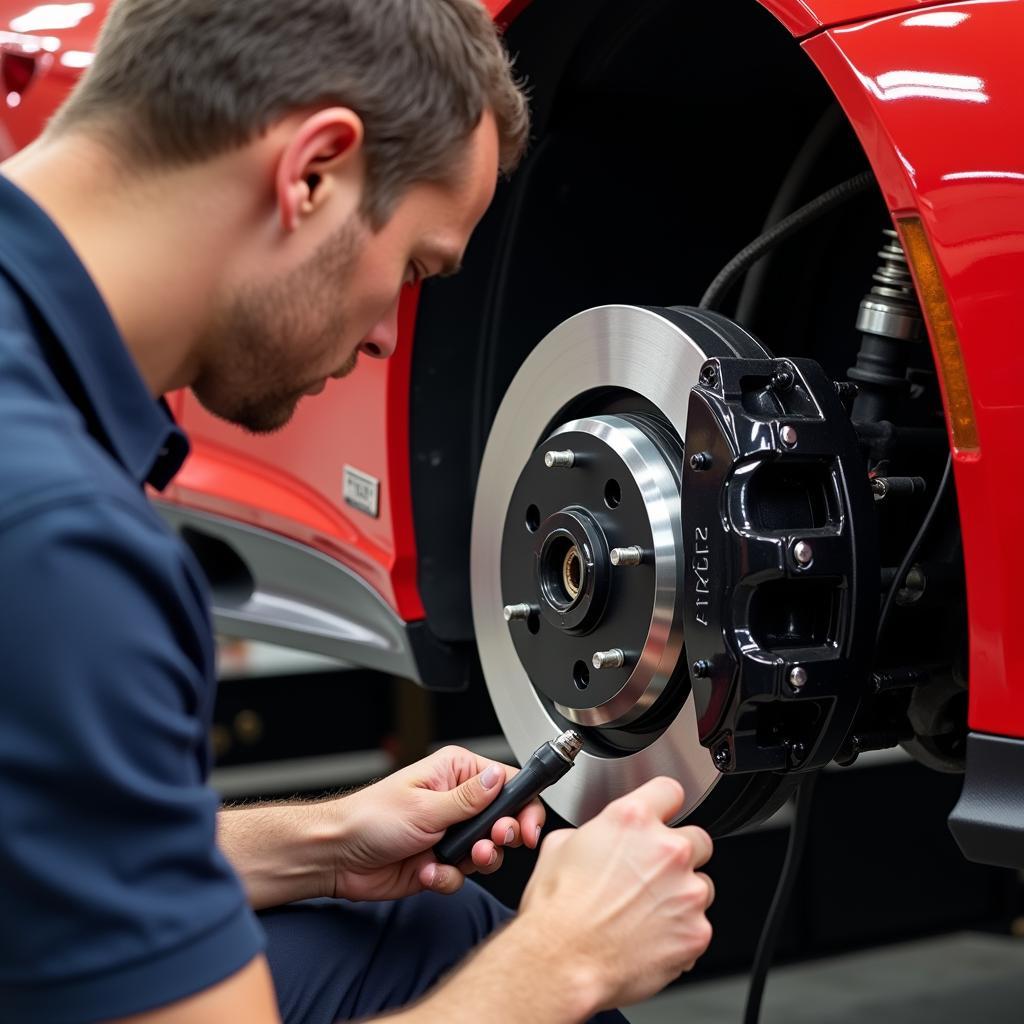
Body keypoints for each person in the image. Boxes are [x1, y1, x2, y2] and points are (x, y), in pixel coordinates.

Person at [0, 1, 716, 1021]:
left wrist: (320, 841)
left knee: (415, 931)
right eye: (414, 268)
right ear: (313, 172)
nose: (388, 336)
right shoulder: (59, 547)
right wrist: (568, 961)